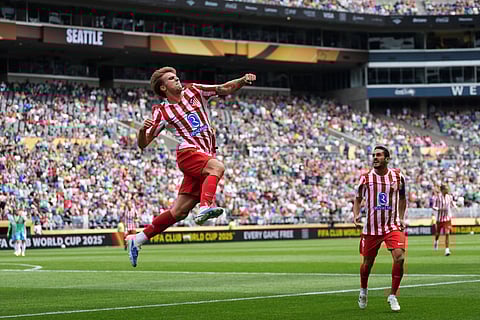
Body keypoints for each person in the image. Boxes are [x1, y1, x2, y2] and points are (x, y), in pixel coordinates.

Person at [126, 66, 256, 267]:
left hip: (204, 155)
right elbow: (143, 144)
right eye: (171, 78)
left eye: (176, 76)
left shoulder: (194, 90)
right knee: (217, 168)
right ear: (163, 88)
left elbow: (223, 88)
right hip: (188, 154)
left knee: (178, 212)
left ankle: (138, 239)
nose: (177, 80)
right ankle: (206, 206)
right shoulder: (162, 112)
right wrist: (142, 131)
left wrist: (241, 80)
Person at [353, 146, 407, 312]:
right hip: (371, 228)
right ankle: (363, 290)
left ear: (387, 158)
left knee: (399, 257)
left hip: (392, 225)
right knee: (367, 263)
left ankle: (393, 295)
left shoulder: (398, 176)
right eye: (374, 155)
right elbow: (357, 198)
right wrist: (356, 215)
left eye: (379, 155)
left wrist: (402, 216)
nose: (375, 158)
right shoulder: (366, 178)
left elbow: (403, 197)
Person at [432, 184, 456, 256]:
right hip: (439, 219)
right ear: (442, 190)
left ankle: (447, 250)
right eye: (446, 189)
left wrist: (456, 207)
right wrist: (438, 209)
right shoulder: (437, 197)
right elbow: (433, 206)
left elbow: (452, 203)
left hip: (447, 218)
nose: (447, 190)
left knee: (447, 233)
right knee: (437, 233)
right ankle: (436, 242)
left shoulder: (449, 197)